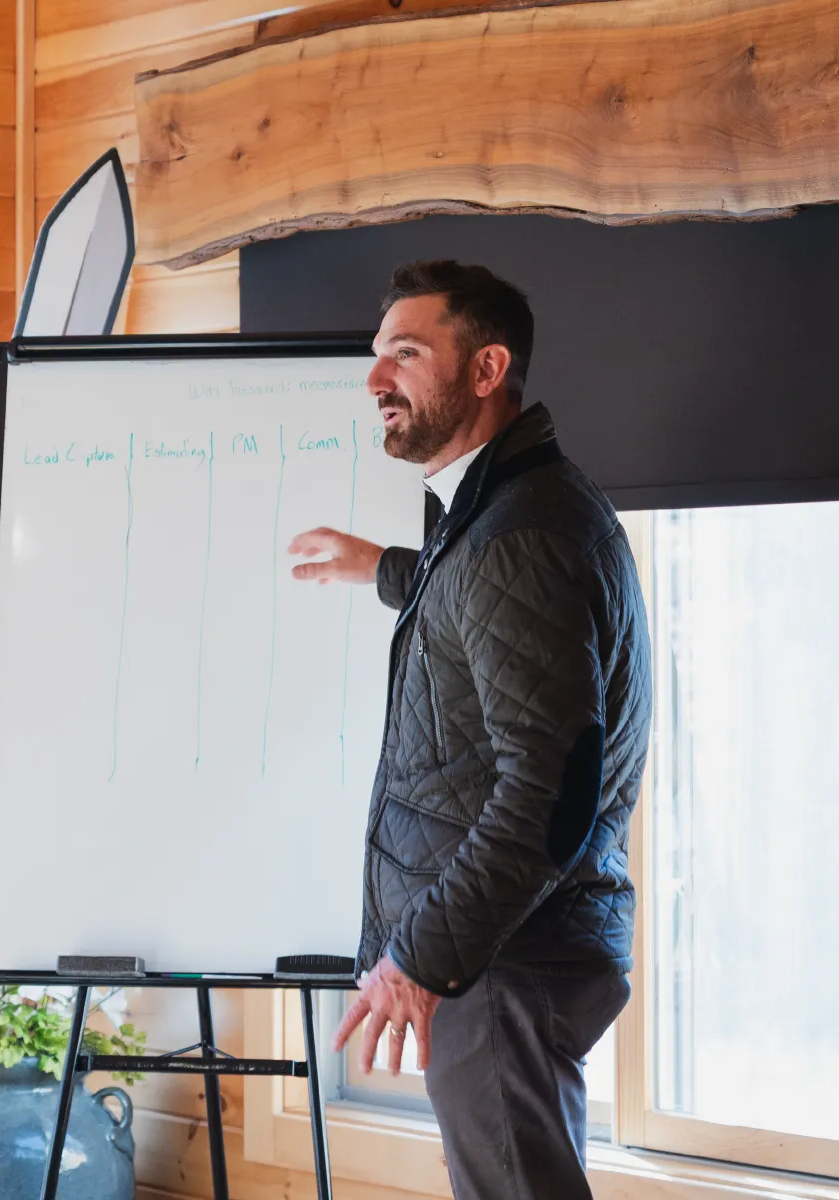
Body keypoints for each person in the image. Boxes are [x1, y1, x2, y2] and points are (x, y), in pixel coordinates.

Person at [289, 261, 652, 1199]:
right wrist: (387, 570)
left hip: (500, 960)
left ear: (487, 369)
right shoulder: (510, 508)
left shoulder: (516, 535)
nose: (376, 381)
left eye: (406, 355)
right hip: (511, 950)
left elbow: (549, 791)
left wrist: (419, 959)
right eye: (378, 357)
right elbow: (489, 626)